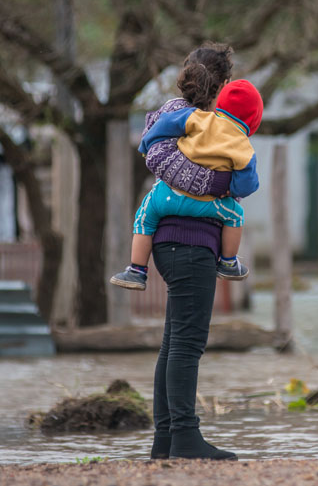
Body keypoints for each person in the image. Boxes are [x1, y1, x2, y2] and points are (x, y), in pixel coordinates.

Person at [136, 43, 240, 460]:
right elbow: (235, 181)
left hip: (165, 241)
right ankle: (185, 437)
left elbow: (159, 158)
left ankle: (165, 440)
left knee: (172, 342)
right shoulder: (213, 126)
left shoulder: (172, 120)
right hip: (194, 244)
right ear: (225, 83)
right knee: (187, 344)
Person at [110, 76, 263, 291]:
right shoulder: (244, 147)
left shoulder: (198, 117)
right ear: (253, 119)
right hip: (207, 204)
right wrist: (230, 188)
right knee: (236, 215)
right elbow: (246, 185)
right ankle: (228, 262)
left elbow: (164, 124)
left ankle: (136, 270)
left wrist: (146, 143)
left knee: (143, 218)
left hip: (167, 196)